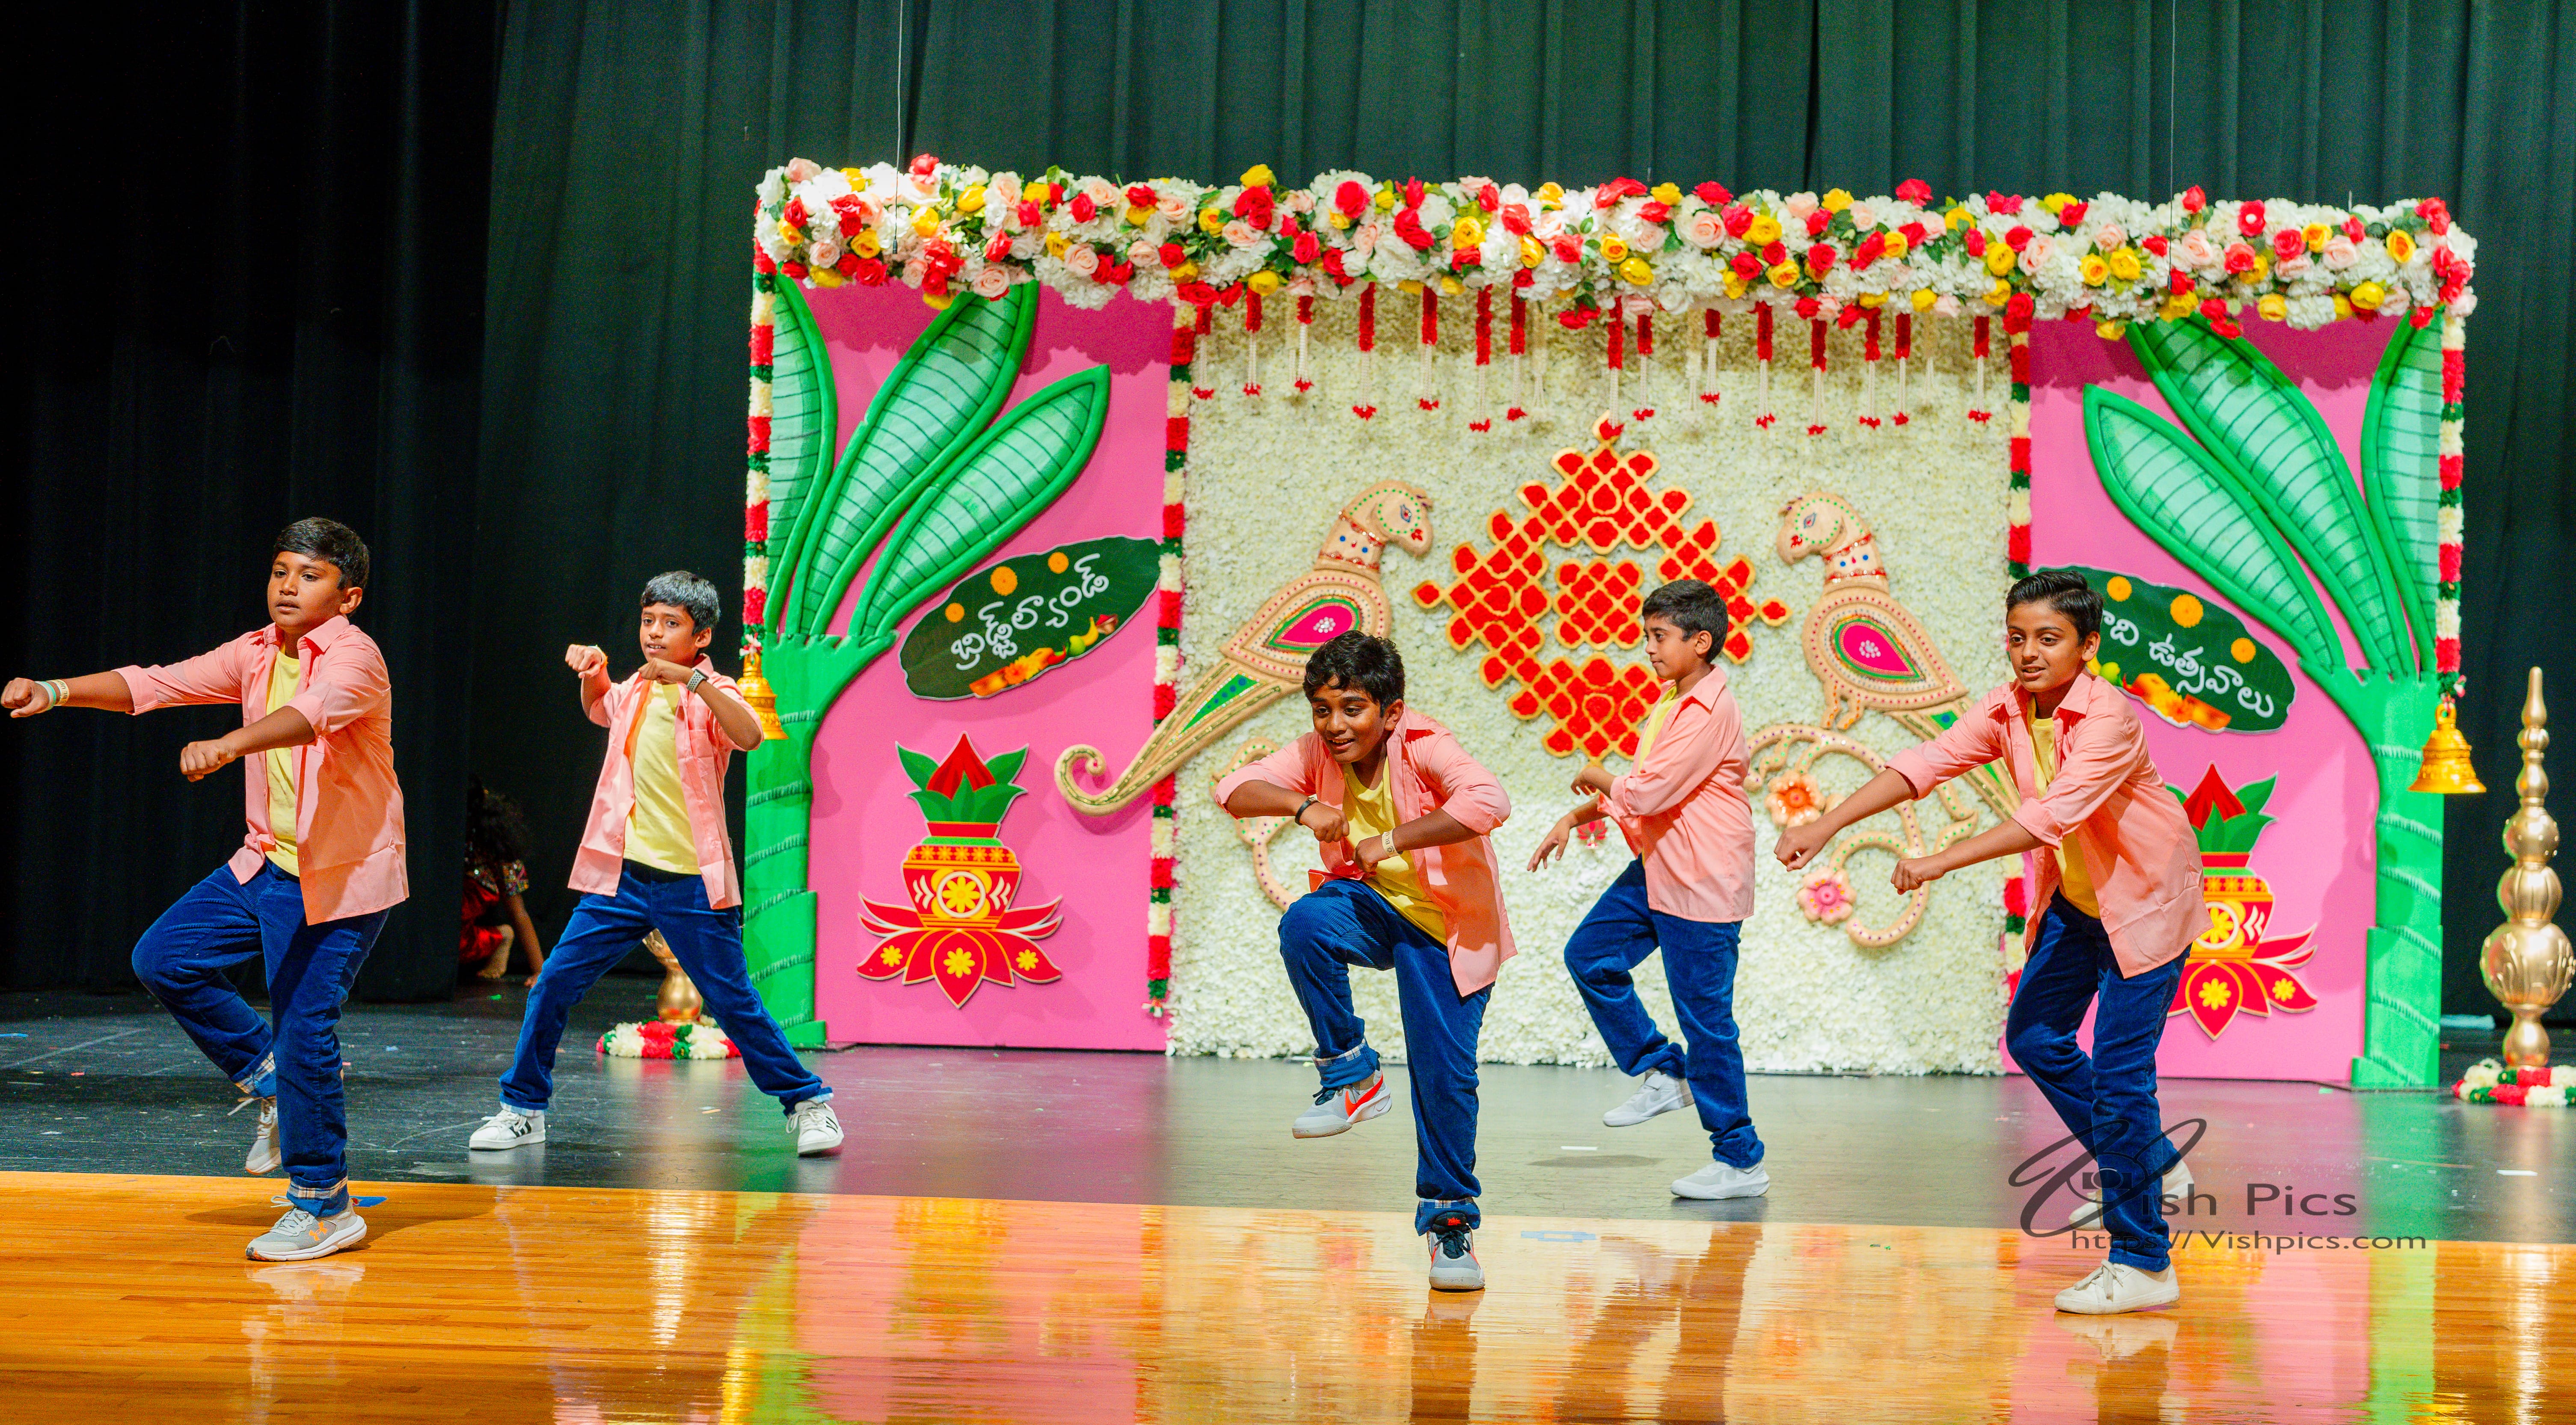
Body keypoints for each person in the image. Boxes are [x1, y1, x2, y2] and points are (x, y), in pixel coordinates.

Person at [1775, 569, 2202, 1315]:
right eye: (2017, 638)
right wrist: (1825, 823)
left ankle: (2144, 1261)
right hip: (2078, 901)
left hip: (2144, 907)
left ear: (2088, 646)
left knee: (2121, 1081)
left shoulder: (2109, 719)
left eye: (2049, 638)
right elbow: (1924, 764)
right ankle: (2153, 1163)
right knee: (2034, 1037)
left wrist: (1938, 860)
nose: (2029, 652)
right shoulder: (2009, 707)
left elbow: (2049, 818)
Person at [3, 518, 407, 1262]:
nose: (288, 586)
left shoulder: (357, 657)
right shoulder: (256, 650)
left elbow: (309, 717)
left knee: (305, 1029)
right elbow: (157, 683)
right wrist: (54, 690)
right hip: (266, 864)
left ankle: (325, 1204)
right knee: (165, 957)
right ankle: (270, 1080)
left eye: (309, 575)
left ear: (348, 596)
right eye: (280, 571)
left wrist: (229, 743)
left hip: (337, 880)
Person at [468, 572, 841, 1156]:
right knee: (554, 984)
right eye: (649, 621)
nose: (655, 634)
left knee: (734, 1002)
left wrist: (694, 680)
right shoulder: (636, 687)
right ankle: (523, 1109)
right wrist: (593, 672)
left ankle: (808, 1102)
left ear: (702, 635)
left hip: (691, 884)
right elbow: (601, 708)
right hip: (622, 878)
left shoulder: (715, 689)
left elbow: (748, 735)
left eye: (671, 623)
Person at [1214, 632, 1514, 1292]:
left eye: (1353, 708)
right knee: (1306, 923)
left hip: (1446, 929)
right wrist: (1301, 806)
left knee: (1443, 1076)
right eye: (1323, 709)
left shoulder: (1425, 744)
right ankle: (1352, 1075)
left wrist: (1393, 838)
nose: (1336, 725)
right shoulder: (1316, 752)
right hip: (1376, 906)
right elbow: (1233, 788)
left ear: (1391, 710)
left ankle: (1450, 1223)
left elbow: (1489, 801)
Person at [1529, 579, 1766, 1201]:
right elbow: (1647, 785)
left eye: (1660, 636)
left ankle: (1740, 1159)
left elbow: (1645, 792)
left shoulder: (1708, 710)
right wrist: (1576, 815)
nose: (1650, 648)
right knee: (1590, 955)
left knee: (1707, 1022)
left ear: (1700, 640)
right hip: (1661, 866)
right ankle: (1663, 1070)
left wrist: (1593, 772)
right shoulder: (1674, 701)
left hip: (1703, 880)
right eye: (1647, 635)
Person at [462, 776, 544, 983]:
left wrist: (540, 971)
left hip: (473, 897)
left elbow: (518, 912)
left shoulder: (497, 848)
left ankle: (500, 937)